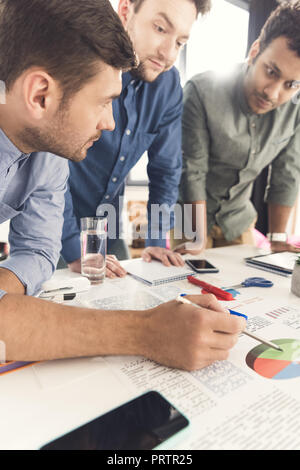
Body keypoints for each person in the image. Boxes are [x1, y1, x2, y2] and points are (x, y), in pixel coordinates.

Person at [0, 0, 245, 371]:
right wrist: (145, 331)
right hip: (70, 218)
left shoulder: (47, 152)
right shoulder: (61, 111)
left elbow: (37, 250)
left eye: (180, 40)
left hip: (102, 220)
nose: (111, 123)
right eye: (103, 103)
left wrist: (157, 242)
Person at [61, 0, 212, 279]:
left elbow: (165, 171)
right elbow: (49, 160)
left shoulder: (168, 87)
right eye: (159, 28)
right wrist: (72, 247)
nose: (168, 53)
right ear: (126, 10)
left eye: (180, 42)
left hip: (109, 231)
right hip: (55, 229)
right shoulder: (78, 61)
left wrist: (156, 242)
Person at [174, 1, 300, 256]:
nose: (273, 93)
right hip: (189, 215)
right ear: (255, 51)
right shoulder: (201, 91)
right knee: (189, 287)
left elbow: (287, 173)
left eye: (291, 84)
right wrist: (197, 239)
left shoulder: (295, 110)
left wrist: (277, 239)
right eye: (271, 72)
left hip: (239, 218)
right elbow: (193, 171)